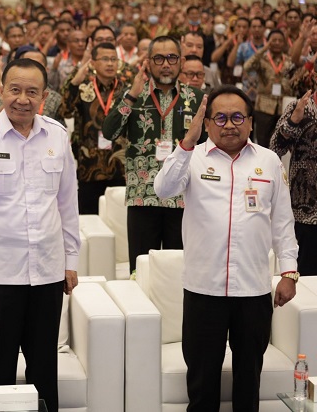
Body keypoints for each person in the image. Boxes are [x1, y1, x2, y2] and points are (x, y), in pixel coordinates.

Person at [154, 85, 298, 411]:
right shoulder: (192, 158)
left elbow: (283, 223)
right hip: (204, 289)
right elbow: (163, 190)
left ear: (250, 122)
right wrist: (187, 144)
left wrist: (289, 271)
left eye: (237, 117)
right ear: (207, 123)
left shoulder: (270, 162)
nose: (228, 125)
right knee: (203, 383)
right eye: (219, 117)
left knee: (248, 380)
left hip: (253, 289)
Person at [0, 58, 80, 409]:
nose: (22, 99)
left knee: (44, 366)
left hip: (47, 269)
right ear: (1, 91)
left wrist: (71, 261)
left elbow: (68, 202)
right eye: (15, 90)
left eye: (31, 91)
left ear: (44, 95)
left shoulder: (56, 134)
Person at [102, 35, 206, 272]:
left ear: (180, 61)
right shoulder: (133, 94)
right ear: (148, 62)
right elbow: (109, 133)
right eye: (158, 58)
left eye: (171, 57)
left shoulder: (196, 98)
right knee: (140, 268)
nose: (166, 64)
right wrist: (131, 96)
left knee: (179, 269)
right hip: (142, 194)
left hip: (183, 197)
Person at [59, 43, 130, 214]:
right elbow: (64, 112)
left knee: (119, 221)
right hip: (89, 167)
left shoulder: (127, 91)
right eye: (105, 59)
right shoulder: (83, 88)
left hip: (119, 168)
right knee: (89, 219)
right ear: (93, 62)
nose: (110, 64)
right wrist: (74, 82)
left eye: (114, 59)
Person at [270, 87, 317, 275]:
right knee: (306, 279)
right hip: (305, 212)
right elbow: (274, 149)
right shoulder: (299, 108)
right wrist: (292, 122)